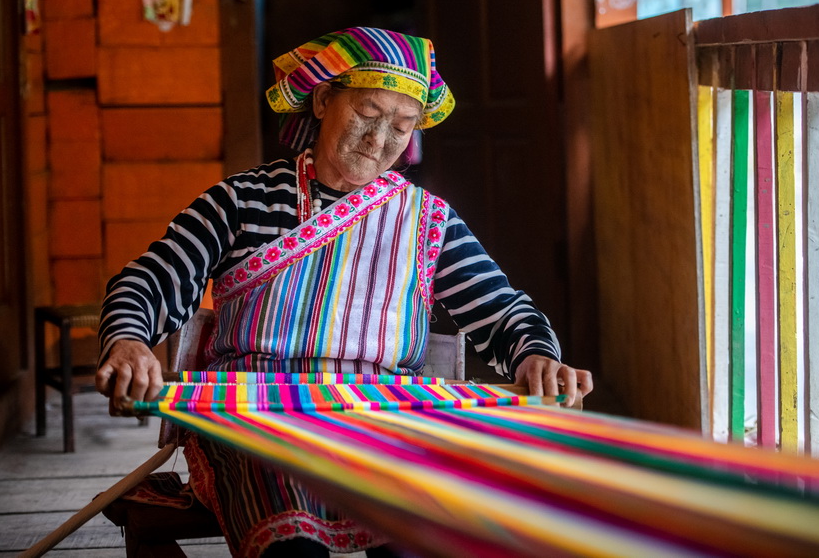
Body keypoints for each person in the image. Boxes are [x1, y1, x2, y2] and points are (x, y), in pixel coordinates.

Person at [96, 27, 593, 557]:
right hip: (257, 414)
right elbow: (152, 278)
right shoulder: (240, 201)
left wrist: (537, 356)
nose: (379, 141)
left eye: (401, 126)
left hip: (387, 417)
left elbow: (501, 309)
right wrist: (128, 340)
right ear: (323, 100)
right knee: (291, 545)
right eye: (367, 113)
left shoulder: (427, 220)